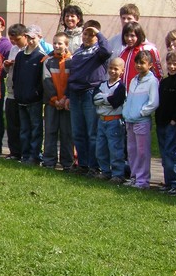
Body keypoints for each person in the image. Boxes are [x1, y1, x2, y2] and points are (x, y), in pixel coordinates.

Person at [67, 21, 111, 175]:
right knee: (78, 132)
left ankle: (94, 166)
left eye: (90, 35)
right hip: (75, 94)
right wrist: (67, 95)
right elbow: (71, 75)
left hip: (90, 93)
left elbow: (107, 51)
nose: (86, 37)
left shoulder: (99, 52)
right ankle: (82, 164)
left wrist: (98, 33)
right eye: (85, 33)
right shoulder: (78, 52)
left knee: (92, 133)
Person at [122, 50, 159, 189]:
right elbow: (129, 98)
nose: (138, 65)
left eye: (142, 63)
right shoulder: (134, 80)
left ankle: (143, 180)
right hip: (130, 120)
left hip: (141, 122)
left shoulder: (152, 81)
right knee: (132, 150)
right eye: (137, 62)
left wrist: (141, 113)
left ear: (150, 65)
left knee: (142, 151)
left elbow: (153, 102)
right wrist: (126, 112)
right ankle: (134, 177)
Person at [13, 25, 45, 165]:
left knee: (36, 129)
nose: (30, 41)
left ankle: (35, 156)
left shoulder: (41, 57)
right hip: (21, 98)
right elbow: (16, 76)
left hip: (34, 100)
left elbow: (42, 80)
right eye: (28, 37)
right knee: (24, 129)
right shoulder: (20, 55)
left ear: (39, 38)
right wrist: (17, 91)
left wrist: (36, 93)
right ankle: (25, 155)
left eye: (33, 38)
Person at [92, 57, 127, 183]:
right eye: (111, 68)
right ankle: (105, 171)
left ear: (122, 71)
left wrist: (103, 98)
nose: (112, 71)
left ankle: (118, 174)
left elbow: (115, 102)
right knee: (101, 148)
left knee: (115, 148)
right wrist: (108, 98)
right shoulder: (101, 85)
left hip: (114, 121)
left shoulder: (120, 87)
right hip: (101, 120)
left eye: (116, 69)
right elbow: (95, 99)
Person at [41, 33, 74, 170]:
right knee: (50, 131)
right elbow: (46, 81)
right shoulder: (48, 61)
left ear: (66, 45)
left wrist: (65, 98)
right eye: (54, 43)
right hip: (52, 103)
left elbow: (72, 81)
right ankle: (49, 160)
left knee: (67, 133)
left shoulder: (72, 61)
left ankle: (67, 162)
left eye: (60, 43)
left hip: (67, 104)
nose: (56, 46)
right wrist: (55, 99)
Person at [156, 50, 176, 195]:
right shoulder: (164, 82)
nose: (172, 67)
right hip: (161, 122)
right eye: (169, 64)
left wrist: (174, 120)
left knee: (172, 152)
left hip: (173, 124)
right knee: (164, 154)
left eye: (175, 64)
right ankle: (168, 182)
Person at [2, 23, 27, 161]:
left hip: (23, 92)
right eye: (11, 39)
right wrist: (6, 65)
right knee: (11, 124)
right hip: (11, 91)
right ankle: (14, 152)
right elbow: (7, 71)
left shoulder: (29, 49)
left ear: (24, 36)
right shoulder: (13, 49)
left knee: (23, 124)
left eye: (17, 39)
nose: (14, 42)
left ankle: (25, 152)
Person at [119, 22, 162, 89]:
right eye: (126, 35)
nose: (129, 38)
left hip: (143, 91)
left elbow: (158, 74)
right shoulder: (123, 53)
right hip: (126, 93)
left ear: (139, 36)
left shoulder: (149, 49)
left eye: (132, 36)